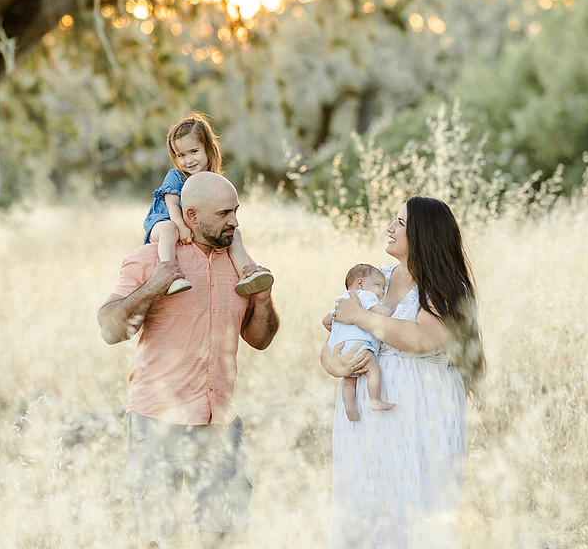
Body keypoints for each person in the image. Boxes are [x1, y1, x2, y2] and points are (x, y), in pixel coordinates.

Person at [99, 171, 281, 547]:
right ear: (192, 215)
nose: (234, 221)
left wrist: (263, 301)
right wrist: (155, 285)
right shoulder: (150, 258)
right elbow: (110, 328)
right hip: (156, 420)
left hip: (220, 421)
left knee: (224, 537)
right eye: (224, 214)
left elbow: (260, 340)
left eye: (236, 211)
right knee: (155, 538)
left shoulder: (241, 265)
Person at [320, 195, 485, 549]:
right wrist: (336, 364)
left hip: (421, 408)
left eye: (400, 223)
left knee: (414, 510)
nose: (389, 228)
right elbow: (338, 333)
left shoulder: (446, 287)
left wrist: (361, 317)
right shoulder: (373, 278)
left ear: (423, 234)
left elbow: (421, 338)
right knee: (364, 507)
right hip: (366, 413)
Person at [143, 111, 273, 296]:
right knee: (169, 230)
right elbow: (171, 205)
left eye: (194, 152)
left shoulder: (213, 179)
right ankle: (170, 276)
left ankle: (246, 275)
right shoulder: (175, 176)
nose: (188, 160)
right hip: (164, 221)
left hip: (192, 225)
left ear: (208, 149)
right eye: (181, 155)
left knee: (235, 234)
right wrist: (180, 226)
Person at [321, 263, 395, 421]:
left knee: (349, 381)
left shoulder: (342, 300)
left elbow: (326, 321)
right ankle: (375, 400)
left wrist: (340, 333)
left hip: (342, 349)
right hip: (361, 346)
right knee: (373, 371)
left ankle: (349, 406)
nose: (382, 291)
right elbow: (377, 311)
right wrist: (390, 309)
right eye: (378, 286)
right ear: (360, 283)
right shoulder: (365, 295)